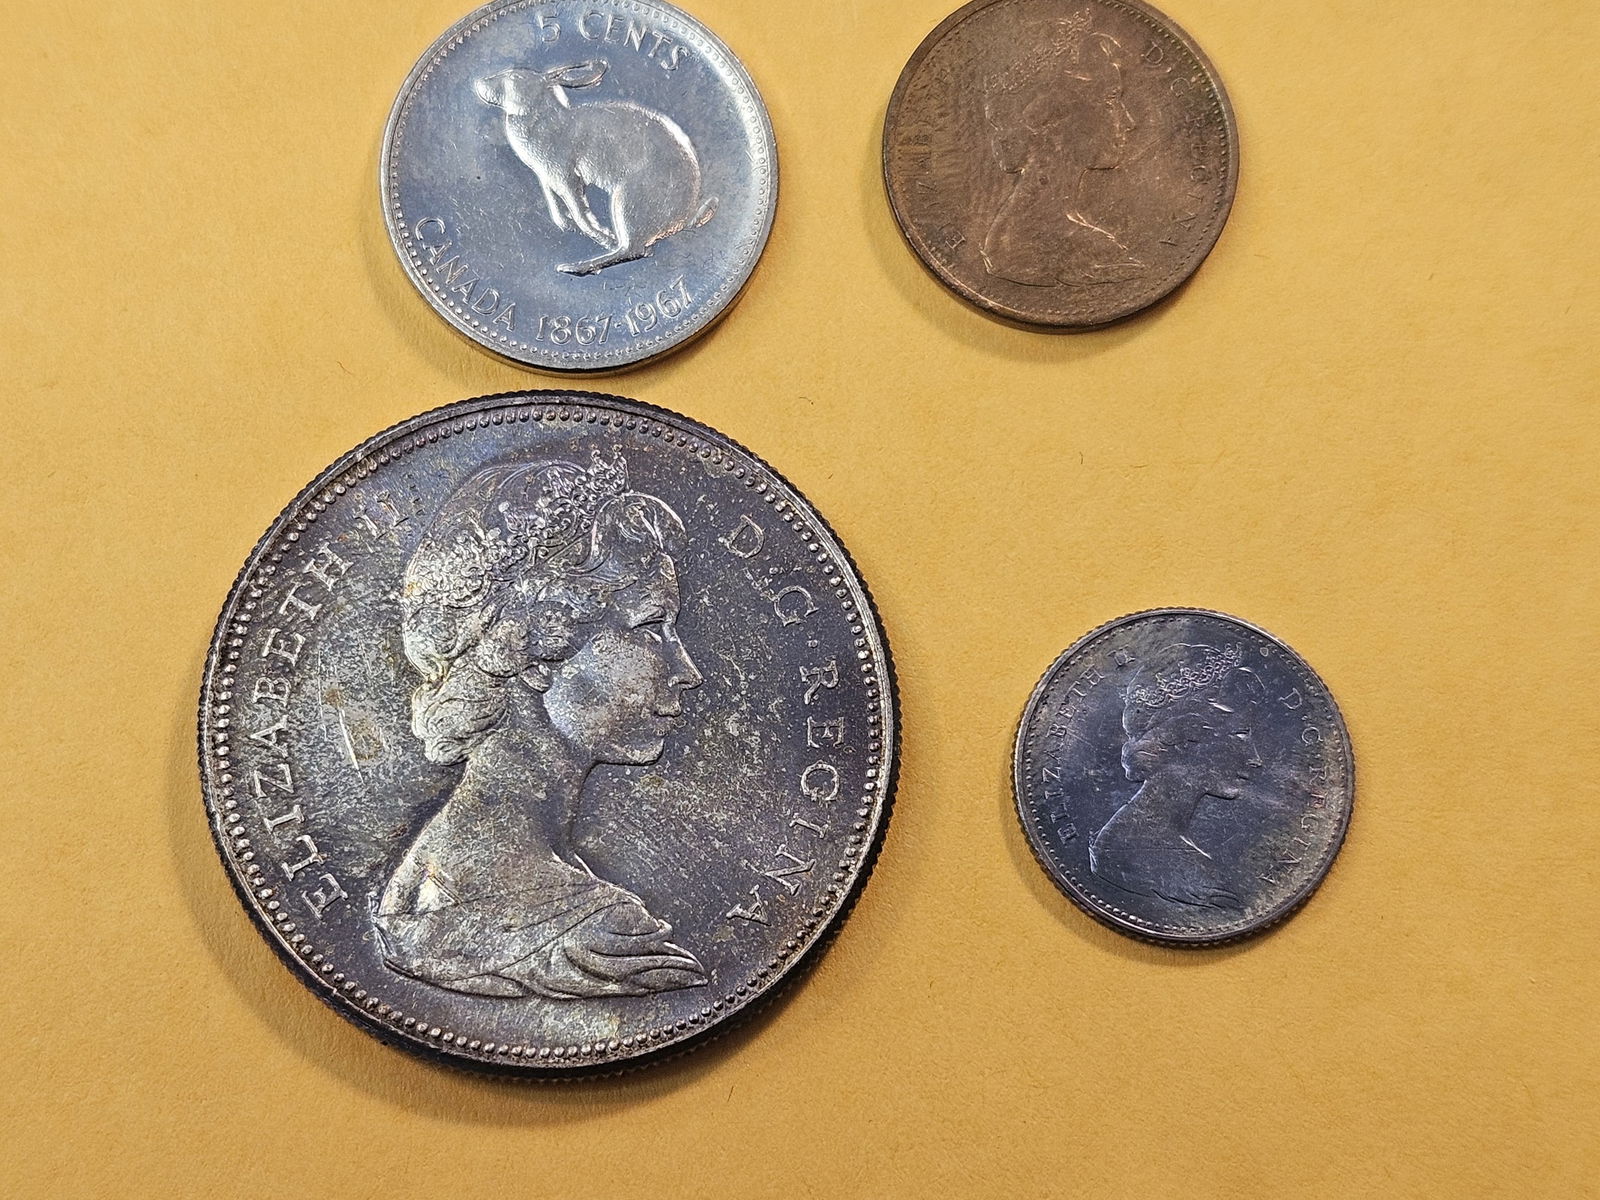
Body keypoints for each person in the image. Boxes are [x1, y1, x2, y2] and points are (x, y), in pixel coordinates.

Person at [373, 449, 709, 999]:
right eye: (652, 627)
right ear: (534, 649)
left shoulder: (424, 881)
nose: (686, 671)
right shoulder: (602, 937)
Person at [1089, 642, 1266, 910]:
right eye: (1241, 733)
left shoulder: (1131, 838)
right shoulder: (1142, 855)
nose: (1256, 759)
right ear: (1187, 737)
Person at [979, 10, 1145, 287]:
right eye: (1111, 100)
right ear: (1058, 120)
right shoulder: (1086, 247)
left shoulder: (1012, 233)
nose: (1128, 121)